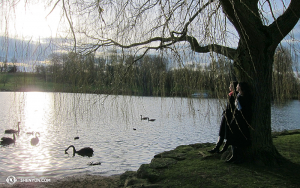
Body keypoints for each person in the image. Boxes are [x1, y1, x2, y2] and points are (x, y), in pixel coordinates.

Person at [208, 81, 238, 154]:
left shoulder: (236, 96)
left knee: (228, 133)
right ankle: (217, 147)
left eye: (230, 86)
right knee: (221, 131)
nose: (229, 87)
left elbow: (234, 107)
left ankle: (223, 149)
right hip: (227, 115)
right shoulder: (231, 95)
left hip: (231, 116)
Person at [225, 82, 252, 164]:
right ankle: (234, 155)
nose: (236, 87)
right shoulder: (238, 95)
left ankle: (240, 157)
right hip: (236, 118)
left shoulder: (245, 97)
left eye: (238, 86)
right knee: (233, 136)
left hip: (241, 120)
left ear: (241, 87)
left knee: (240, 138)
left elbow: (243, 109)